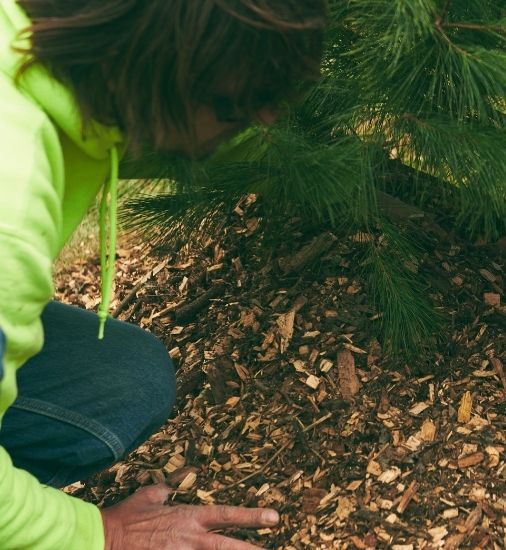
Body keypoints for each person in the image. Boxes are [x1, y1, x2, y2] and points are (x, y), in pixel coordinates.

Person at [0, 1, 326, 548]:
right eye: (239, 106)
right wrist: (96, 532)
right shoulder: (11, 202)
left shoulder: (58, 51)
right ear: (163, 76)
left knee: (125, 379)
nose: (264, 118)